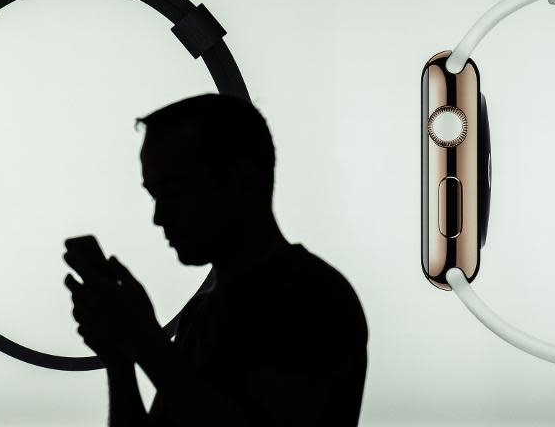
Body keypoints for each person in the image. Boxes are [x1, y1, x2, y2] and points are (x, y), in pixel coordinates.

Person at [63, 93, 368, 426]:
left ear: (243, 183)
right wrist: (120, 359)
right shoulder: (204, 313)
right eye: (155, 194)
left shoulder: (314, 299)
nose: (159, 216)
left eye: (174, 190)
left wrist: (144, 342)